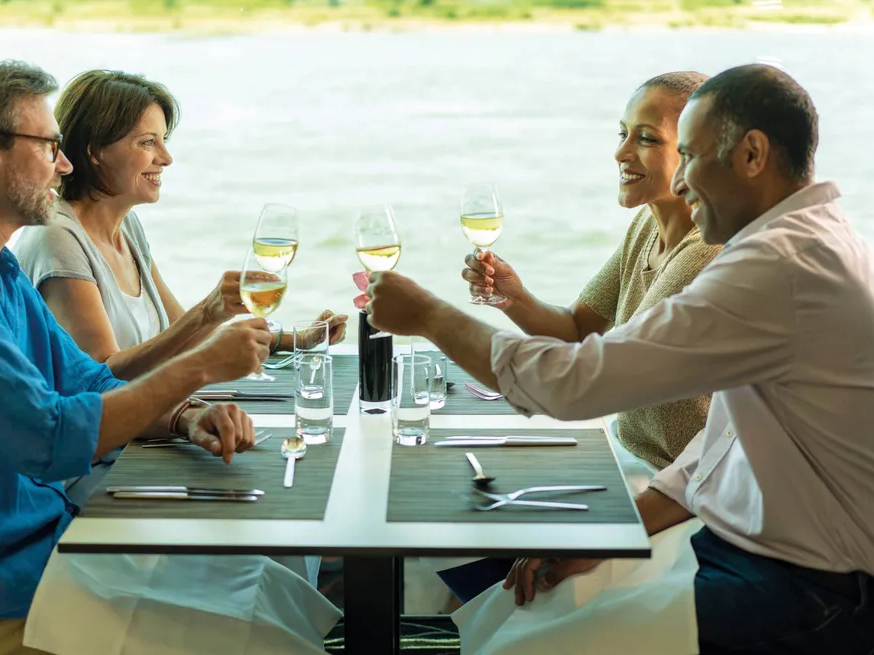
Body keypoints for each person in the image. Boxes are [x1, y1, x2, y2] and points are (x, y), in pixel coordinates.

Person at [367, 64, 874, 653]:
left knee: (523, 642)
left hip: (813, 585)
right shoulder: (807, 240)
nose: (681, 180)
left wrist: (430, 316)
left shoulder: (776, 267)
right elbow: (724, 436)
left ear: (752, 155)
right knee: (515, 613)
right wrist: (623, 525)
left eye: (690, 156)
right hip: (747, 544)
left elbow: (575, 384)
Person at [0, 61, 339, 655]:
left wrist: (185, 417)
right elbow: (50, 438)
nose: (64, 165)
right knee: (266, 636)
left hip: (42, 554)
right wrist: (199, 367)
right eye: (50, 146)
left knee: (269, 590)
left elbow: (88, 379)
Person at [437, 70, 721, 603]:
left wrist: (434, 320)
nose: (621, 153)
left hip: (678, 492)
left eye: (646, 138)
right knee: (462, 503)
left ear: (697, 154)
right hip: (627, 458)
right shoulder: (647, 227)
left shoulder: (707, 254)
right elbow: (574, 330)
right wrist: (513, 297)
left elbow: (595, 375)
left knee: (493, 532)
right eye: (622, 133)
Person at [13, 69, 346, 503]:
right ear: (95, 151)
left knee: (282, 482)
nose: (166, 158)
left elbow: (179, 333)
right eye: (147, 142)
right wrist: (208, 314)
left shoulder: (126, 227)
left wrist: (292, 338)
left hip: (145, 441)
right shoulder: (57, 238)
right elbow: (102, 380)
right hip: (96, 469)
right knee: (272, 493)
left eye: (163, 140)